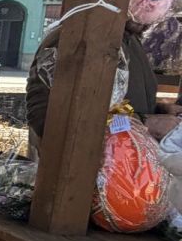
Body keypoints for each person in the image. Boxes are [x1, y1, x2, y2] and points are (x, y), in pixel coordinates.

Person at [27, 18, 182, 151]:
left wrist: (157, 110)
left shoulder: (130, 39)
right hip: (81, 168)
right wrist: (144, 123)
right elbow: (49, 120)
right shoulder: (75, 37)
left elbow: (111, 103)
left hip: (125, 165)